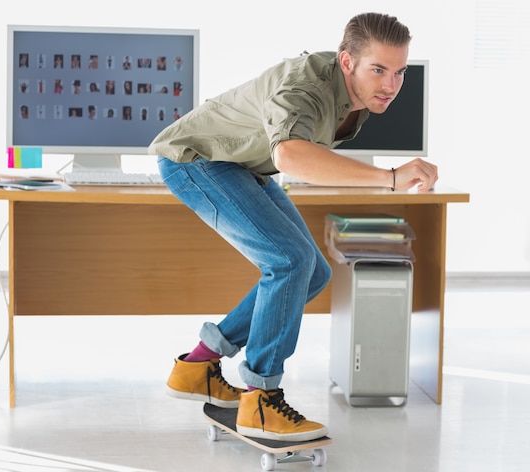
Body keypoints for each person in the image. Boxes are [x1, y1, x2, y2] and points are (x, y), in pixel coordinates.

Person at [148, 12, 438, 442]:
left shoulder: (356, 100)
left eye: (399, 73)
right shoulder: (305, 84)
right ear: (346, 62)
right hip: (196, 161)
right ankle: (261, 400)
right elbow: (289, 156)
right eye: (379, 70)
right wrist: (390, 177)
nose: (391, 85)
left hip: (241, 168)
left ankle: (197, 366)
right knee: (289, 260)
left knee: (312, 271)